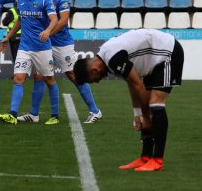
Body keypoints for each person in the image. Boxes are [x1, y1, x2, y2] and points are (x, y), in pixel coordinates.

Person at [0, 0, 102, 124]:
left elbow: (63, 20)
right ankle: (33, 114)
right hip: (43, 42)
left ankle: (95, 110)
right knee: (38, 76)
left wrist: (47, 33)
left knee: (73, 75)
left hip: (60, 43)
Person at [73, 29, 184, 172]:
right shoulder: (107, 59)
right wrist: (137, 113)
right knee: (148, 108)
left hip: (168, 53)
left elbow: (139, 86)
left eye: (94, 80)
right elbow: (132, 82)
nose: (97, 81)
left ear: (94, 69)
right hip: (152, 62)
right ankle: (145, 158)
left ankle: (157, 160)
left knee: (156, 104)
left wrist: (145, 117)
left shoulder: (113, 59)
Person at [0, 0, 59, 125]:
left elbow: (54, 19)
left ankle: (55, 116)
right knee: (18, 78)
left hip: (42, 48)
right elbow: (19, 20)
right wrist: (8, 37)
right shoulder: (21, 0)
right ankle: (13, 114)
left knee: (49, 79)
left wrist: (47, 30)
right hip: (24, 47)